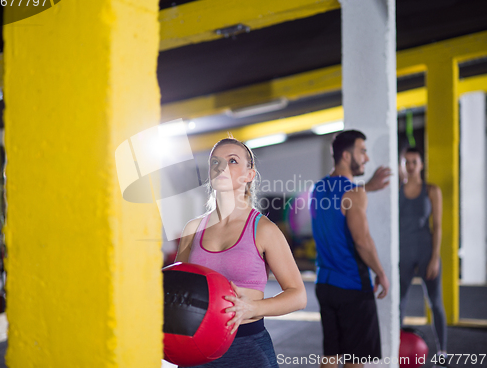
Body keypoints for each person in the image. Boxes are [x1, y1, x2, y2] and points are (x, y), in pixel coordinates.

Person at [175, 137, 307, 368]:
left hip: (246, 347)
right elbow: (177, 290)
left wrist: (254, 307)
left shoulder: (264, 229)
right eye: (215, 161)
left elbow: (298, 295)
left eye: (233, 160)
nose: (221, 166)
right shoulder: (193, 228)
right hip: (195, 347)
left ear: (249, 175)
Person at [309, 130, 390, 368]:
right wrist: (381, 273)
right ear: (346, 155)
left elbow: (340, 202)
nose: (366, 158)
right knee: (355, 359)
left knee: (331, 355)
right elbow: (362, 241)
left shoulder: (317, 189)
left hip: (324, 284)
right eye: (362, 151)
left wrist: (368, 187)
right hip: (352, 285)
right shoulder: (354, 194)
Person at [399, 147, 447, 361]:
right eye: (406, 162)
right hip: (403, 253)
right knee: (398, 302)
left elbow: (437, 226)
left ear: (421, 164)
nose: (410, 166)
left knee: (435, 303)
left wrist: (435, 258)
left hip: (426, 251)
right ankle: (396, 349)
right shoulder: (395, 191)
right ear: (402, 165)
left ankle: (442, 352)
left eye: (414, 162)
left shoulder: (431, 190)